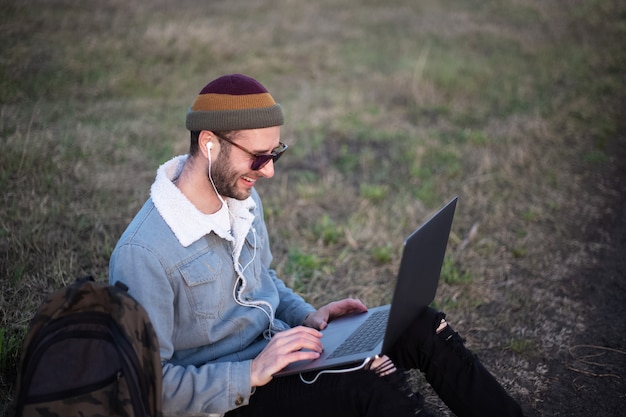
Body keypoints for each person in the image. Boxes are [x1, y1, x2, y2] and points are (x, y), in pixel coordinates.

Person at [109, 74, 524, 417]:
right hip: (232, 400)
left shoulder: (240, 196)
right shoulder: (143, 254)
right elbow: (148, 387)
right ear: (209, 143)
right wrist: (253, 370)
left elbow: (264, 278)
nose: (268, 171)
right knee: (368, 386)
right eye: (257, 157)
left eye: (276, 154)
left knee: (420, 325)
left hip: (286, 353)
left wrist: (308, 317)